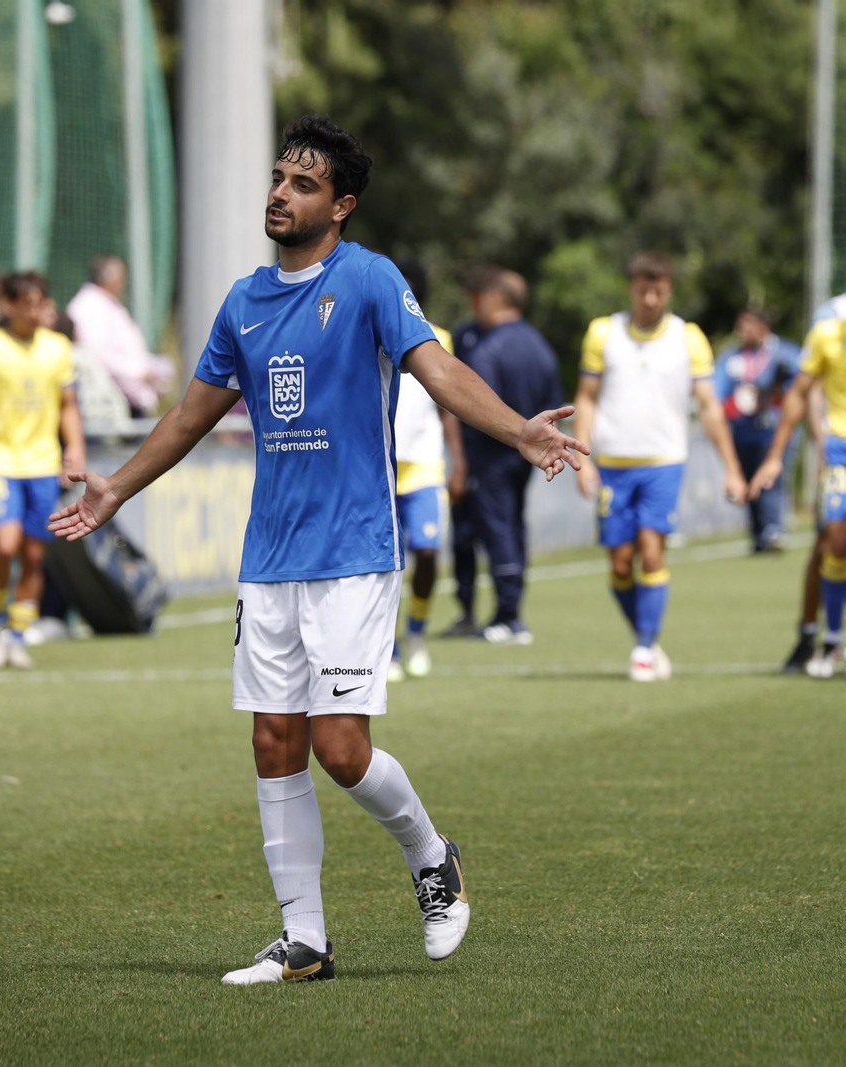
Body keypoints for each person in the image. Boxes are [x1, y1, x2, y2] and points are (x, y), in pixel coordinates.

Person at [47, 115, 587, 984]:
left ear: (341, 206)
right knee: (273, 741)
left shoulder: (368, 278)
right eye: (277, 177)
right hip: (269, 556)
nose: (280, 193)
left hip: (353, 550)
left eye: (303, 184)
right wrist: (116, 488)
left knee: (340, 749)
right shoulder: (243, 301)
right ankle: (303, 939)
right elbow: (190, 415)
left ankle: (432, 856)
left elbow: (438, 369)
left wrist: (518, 429)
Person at [573, 251, 745, 681]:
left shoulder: (689, 338)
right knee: (620, 563)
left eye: (659, 291)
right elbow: (587, 398)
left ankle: (644, 650)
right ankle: (647, 639)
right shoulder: (603, 333)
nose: (650, 299)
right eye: (643, 290)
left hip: (664, 463)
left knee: (651, 551)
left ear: (669, 291)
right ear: (631, 289)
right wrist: (582, 459)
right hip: (612, 465)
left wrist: (731, 467)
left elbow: (709, 406)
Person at [750, 255, 846, 679]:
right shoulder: (828, 335)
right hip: (842, 451)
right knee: (837, 535)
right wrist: (775, 457)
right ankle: (832, 639)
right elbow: (798, 393)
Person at [0, 271, 86, 669]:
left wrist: (75, 447)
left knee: (32, 555)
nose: (32, 311)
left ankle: (15, 636)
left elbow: (68, 405)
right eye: (25, 303)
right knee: (6, 545)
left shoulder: (57, 348)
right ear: (8, 305)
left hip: (43, 464)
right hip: (2, 462)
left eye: (38, 303)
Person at [465, 269, 563, 645]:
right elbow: (553, 403)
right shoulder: (539, 344)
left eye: (479, 296)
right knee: (515, 527)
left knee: (498, 530)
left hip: (492, 453)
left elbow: (475, 405)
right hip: (529, 456)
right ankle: (512, 609)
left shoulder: (489, 347)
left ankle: (508, 616)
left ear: (496, 298)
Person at [388, 257, 466, 680]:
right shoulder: (367, 334)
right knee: (385, 565)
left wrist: (459, 461)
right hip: (380, 467)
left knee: (428, 552)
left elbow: (447, 405)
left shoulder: (439, 337)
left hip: (425, 467)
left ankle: (416, 632)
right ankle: (390, 648)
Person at [439, 266, 499, 638]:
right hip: (467, 452)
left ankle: (506, 613)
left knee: (498, 534)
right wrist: (459, 461)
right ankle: (466, 612)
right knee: (462, 538)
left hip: (498, 458)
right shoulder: (462, 337)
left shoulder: (511, 338)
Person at [714, 307, 801, 552]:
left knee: (770, 480)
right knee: (748, 480)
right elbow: (716, 392)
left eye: (749, 326)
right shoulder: (731, 356)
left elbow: (799, 388)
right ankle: (758, 534)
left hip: (774, 431)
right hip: (742, 430)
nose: (743, 331)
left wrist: (776, 391)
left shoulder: (785, 352)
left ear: (765, 327)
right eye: (740, 326)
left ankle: (773, 529)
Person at [67, 255, 175, 417]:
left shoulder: (106, 304)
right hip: (106, 406)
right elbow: (97, 356)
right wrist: (139, 372)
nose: (124, 282)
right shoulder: (88, 308)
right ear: (110, 278)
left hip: (123, 401)